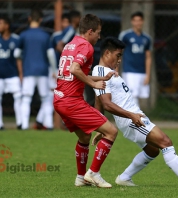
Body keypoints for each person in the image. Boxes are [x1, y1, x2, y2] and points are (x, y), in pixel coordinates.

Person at [92, 37, 178, 188]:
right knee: (165, 142)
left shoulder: (108, 72)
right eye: (118, 55)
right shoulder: (100, 71)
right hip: (131, 119)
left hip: (134, 116)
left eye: (121, 56)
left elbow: (98, 101)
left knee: (152, 150)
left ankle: (124, 177)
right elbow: (106, 103)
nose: (120, 59)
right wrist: (131, 116)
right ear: (107, 53)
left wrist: (100, 126)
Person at [53, 14, 123, 188]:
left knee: (85, 136)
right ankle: (93, 173)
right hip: (71, 101)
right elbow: (75, 69)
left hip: (59, 99)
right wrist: (93, 83)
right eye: (98, 33)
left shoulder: (70, 44)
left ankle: (80, 178)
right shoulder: (86, 47)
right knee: (111, 131)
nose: (99, 37)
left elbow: (73, 72)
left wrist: (98, 78)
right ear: (90, 31)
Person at [14, 9, 57, 130]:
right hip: (43, 70)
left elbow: (16, 53)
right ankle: (49, 125)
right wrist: (54, 70)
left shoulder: (23, 35)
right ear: (41, 20)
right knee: (45, 98)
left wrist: (25, 57)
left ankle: (24, 125)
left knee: (26, 98)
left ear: (29, 19)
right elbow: (50, 55)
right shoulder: (45, 36)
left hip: (28, 70)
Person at [118, 11, 152, 107]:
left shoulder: (147, 38)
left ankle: (135, 118)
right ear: (132, 22)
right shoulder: (125, 36)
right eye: (135, 20)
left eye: (139, 20)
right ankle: (137, 119)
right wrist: (116, 69)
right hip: (129, 71)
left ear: (143, 21)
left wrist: (148, 75)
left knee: (141, 96)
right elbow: (118, 53)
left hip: (142, 71)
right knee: (132, 95)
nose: (137, 23)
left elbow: (148, 57)